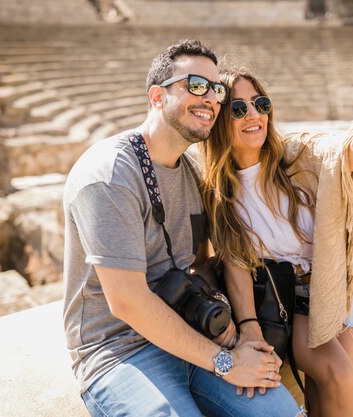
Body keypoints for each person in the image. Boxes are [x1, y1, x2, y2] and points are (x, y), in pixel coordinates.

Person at [63, 39, 305, 417]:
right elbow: (127, 301)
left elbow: (211, 262)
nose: (210, 98)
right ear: (157, 96)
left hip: (193, 335)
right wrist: (225, 362)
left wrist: (238, 330)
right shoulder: (111, 175)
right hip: (121, 353)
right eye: (195, 85)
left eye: (216, 89)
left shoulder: (191, 172)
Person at [200, 41, 353, 417]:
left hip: (332, 289)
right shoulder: (217, 191)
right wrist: (249, 328)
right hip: (286, 302)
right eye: (237, 109)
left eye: (261, 104)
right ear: (219, 120)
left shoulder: (299, 157)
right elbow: (234, 262)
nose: (253, 115)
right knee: (338, 373)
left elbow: (350, 148)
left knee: (326, 395)